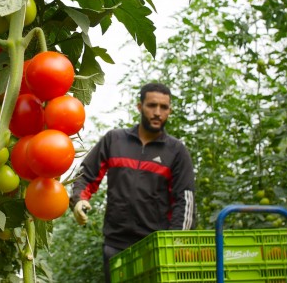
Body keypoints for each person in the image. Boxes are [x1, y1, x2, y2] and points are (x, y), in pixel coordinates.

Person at [70, 82, 196, 283]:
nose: (157, 112)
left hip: (155, 246)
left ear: (169, 110)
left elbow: (185, 202)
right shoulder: (114, 140)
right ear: (140, 107)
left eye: (164, 107)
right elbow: (85, 175)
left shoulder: (176, 151)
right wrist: (78, 200)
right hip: (115, 244)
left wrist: (174, 243)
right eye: (151, 105)